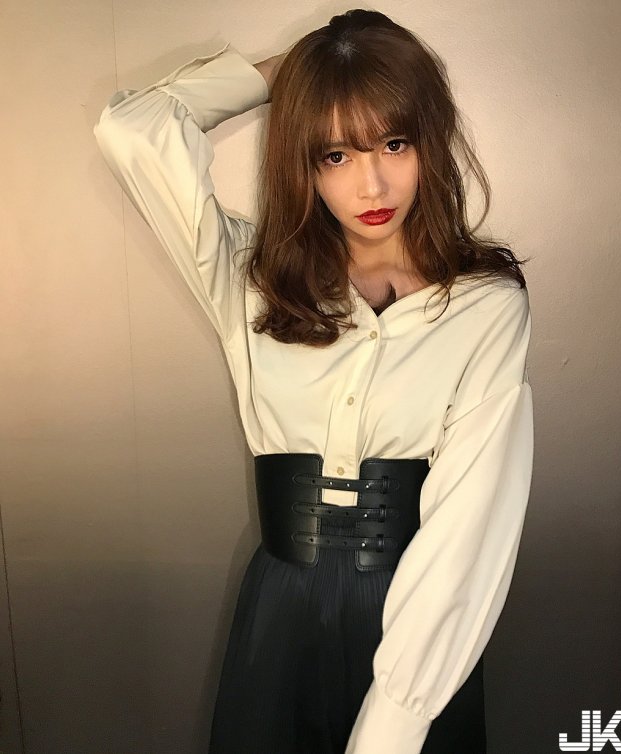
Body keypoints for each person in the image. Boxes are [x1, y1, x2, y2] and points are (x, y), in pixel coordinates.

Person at [94, 9, 534, 754]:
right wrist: (289, 78)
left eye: (394, 143)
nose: (372, 181)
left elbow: (472, 523)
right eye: (335, 153)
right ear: (303, 161)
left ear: (428, 140)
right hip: (280, 613)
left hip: (419, 615)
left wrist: (399, 712)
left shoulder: (485, 304)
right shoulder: (251, 280)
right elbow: (133, 131)